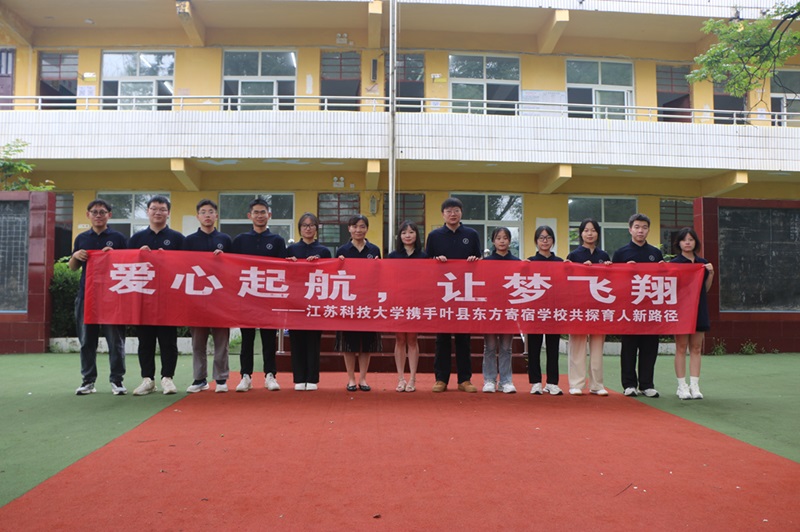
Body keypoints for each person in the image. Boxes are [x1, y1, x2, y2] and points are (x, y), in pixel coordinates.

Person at [69, 199, 128, 395]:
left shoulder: (119, 238)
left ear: (109, 215)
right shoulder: (81, 239)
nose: (98, 215)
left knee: (115, 340)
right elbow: (73, 267)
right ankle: (88, 381)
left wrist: (114, 255)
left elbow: (128, 264)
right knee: (87, 340)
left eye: (102, 212)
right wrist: (76, 256)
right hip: (87, 296)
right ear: (88, 215)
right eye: (94, 212)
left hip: (113, 297)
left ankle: (117, 380)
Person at [128, 195, 185, 396]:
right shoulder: (136, 239)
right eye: (154, 209)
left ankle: (167, 378)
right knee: (145, 341)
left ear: (168, 213)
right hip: (143, 298)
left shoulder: (178, 239)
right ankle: (147, 379)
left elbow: (186, 266)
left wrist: (168, 258)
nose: (158, 212)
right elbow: (125, 265)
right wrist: (138, 254)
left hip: (168, 298)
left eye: (162, 209)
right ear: (147, 212)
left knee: (168, 340)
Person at [424, 197, 482, 393]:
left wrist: (474, 259)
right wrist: (435, 260)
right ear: (443, 215)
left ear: (461, 213)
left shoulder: (471, 234)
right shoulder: (434, 236)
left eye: (456, 210)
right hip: (443, 293)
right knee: (442, 339)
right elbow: (426, 263)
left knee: (464, 338)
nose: (452, 214)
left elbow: (480, 261)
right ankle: (441, 379)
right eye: (448, 211)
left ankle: (464, 379)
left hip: (465, 292)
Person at [231, 197, 287, 392]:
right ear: (250, 216)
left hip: (269, 297)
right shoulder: (240, 240)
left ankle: (270, 375)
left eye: (263, 212)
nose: (260, 215)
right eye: (256, 212)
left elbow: (284, 269)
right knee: (246, 339)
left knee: (268, 339)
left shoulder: (277, 241)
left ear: (269, 215)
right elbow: (231, 266)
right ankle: (245, 376)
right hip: (246, 296)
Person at [182, 199, 232, 393]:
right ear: (198, 216)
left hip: (220, 298)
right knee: (198, 342)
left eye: (211, 212)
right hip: (196, 298)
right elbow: (182, 266)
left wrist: (224, 259)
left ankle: (221, 379)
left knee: (221, 341)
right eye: (203, 212)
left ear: (216, 216)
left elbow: (235, 268)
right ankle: (199, 379)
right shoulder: (189, 241)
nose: (207, 215)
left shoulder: (225, 240)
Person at [612, 213, 665, 398]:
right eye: (637, 227)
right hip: (629, 308)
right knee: (629, 348)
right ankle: (629, 384)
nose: (640, 231)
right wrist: (625, 270)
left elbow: (662, 280)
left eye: (644, 227)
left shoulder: (655, 253)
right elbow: (613, 281)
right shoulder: (621, 253)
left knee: (649, 347)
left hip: (650, 308)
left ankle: (647, 384)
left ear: (648, 230)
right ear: (630, 230)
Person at [336, 214, 382, 392]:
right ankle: (351, 379)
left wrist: (379, 265)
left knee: (366, 343)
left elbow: (379, 275)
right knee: (348, 343)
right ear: (349, 229)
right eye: (354, 226)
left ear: (367, 229)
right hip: (348, 302)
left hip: (368, 301)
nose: (358, 230)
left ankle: (363, 378)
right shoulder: (342, 250)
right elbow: (335, 275)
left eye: (362, 226)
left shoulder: (374, 250)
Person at [286, 212, 332, 391]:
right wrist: (290, 263)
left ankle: (312, 378)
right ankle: (299, 378)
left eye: (311, 225)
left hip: (315, 301)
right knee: (296, 340)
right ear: (300, 229)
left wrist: (319, 264)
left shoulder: (324, 251)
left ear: (316, 228)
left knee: (313, 341)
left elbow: (330, 274)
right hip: (295, 301)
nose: (308, 228)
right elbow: (283, 274)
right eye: (305, 225)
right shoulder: (291, 250)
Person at [566, 218, 611, 396]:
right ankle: (576, 384)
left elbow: (611, 282)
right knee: (577, 346)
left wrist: (608, 268)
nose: (590, 233)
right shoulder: (573, 256)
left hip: (599, 307)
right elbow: (567, 279)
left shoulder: (604, 256)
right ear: (581, 233)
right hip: (578, 306)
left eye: (593, 230)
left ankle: (596, 385)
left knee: (597, 347)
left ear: (598, 233)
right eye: (586, 230)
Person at [671, 227, 714, 400]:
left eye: (691, 239)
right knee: (681, 347)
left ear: (695, 242)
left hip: (699, 308)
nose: (687, 243)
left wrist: (710, 273)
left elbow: (705, 289)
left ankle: (694, 385)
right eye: (684, 240)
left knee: (696, 348)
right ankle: (682, 385)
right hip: (681, 310)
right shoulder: (674, 263)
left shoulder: (702, 263)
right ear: (679, 243)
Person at [387, 220, 428, 393]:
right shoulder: (392, 256)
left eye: (411, 232)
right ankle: (400, 378)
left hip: (415, 302)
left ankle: (412, 378)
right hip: (398, 302)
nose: (408, 235)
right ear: (399, 236)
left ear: (417, 235)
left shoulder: (424, 257)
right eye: (404, 232)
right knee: (400, 339)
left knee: (412, 339)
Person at [526, 225, 564, 396]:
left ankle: (552, 383)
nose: (545, 241)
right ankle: (535, 382)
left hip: (554, 311)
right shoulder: (530, 262)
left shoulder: (560, 263)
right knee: (534, 348)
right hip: (534, 311)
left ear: (553, 241)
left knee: (553, 348)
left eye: (548, 237)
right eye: (541, 238)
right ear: (536, 241)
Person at [481, 227, 519, 394]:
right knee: (489, 346)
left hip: (509, 309)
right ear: (493, 241)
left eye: (505, 238)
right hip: (491, 309)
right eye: (498, 238)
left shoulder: (517, 262)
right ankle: (489, 380)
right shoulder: (486, 262)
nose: (502, 241)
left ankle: (506, 381)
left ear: (510, 241)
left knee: (506, 347)